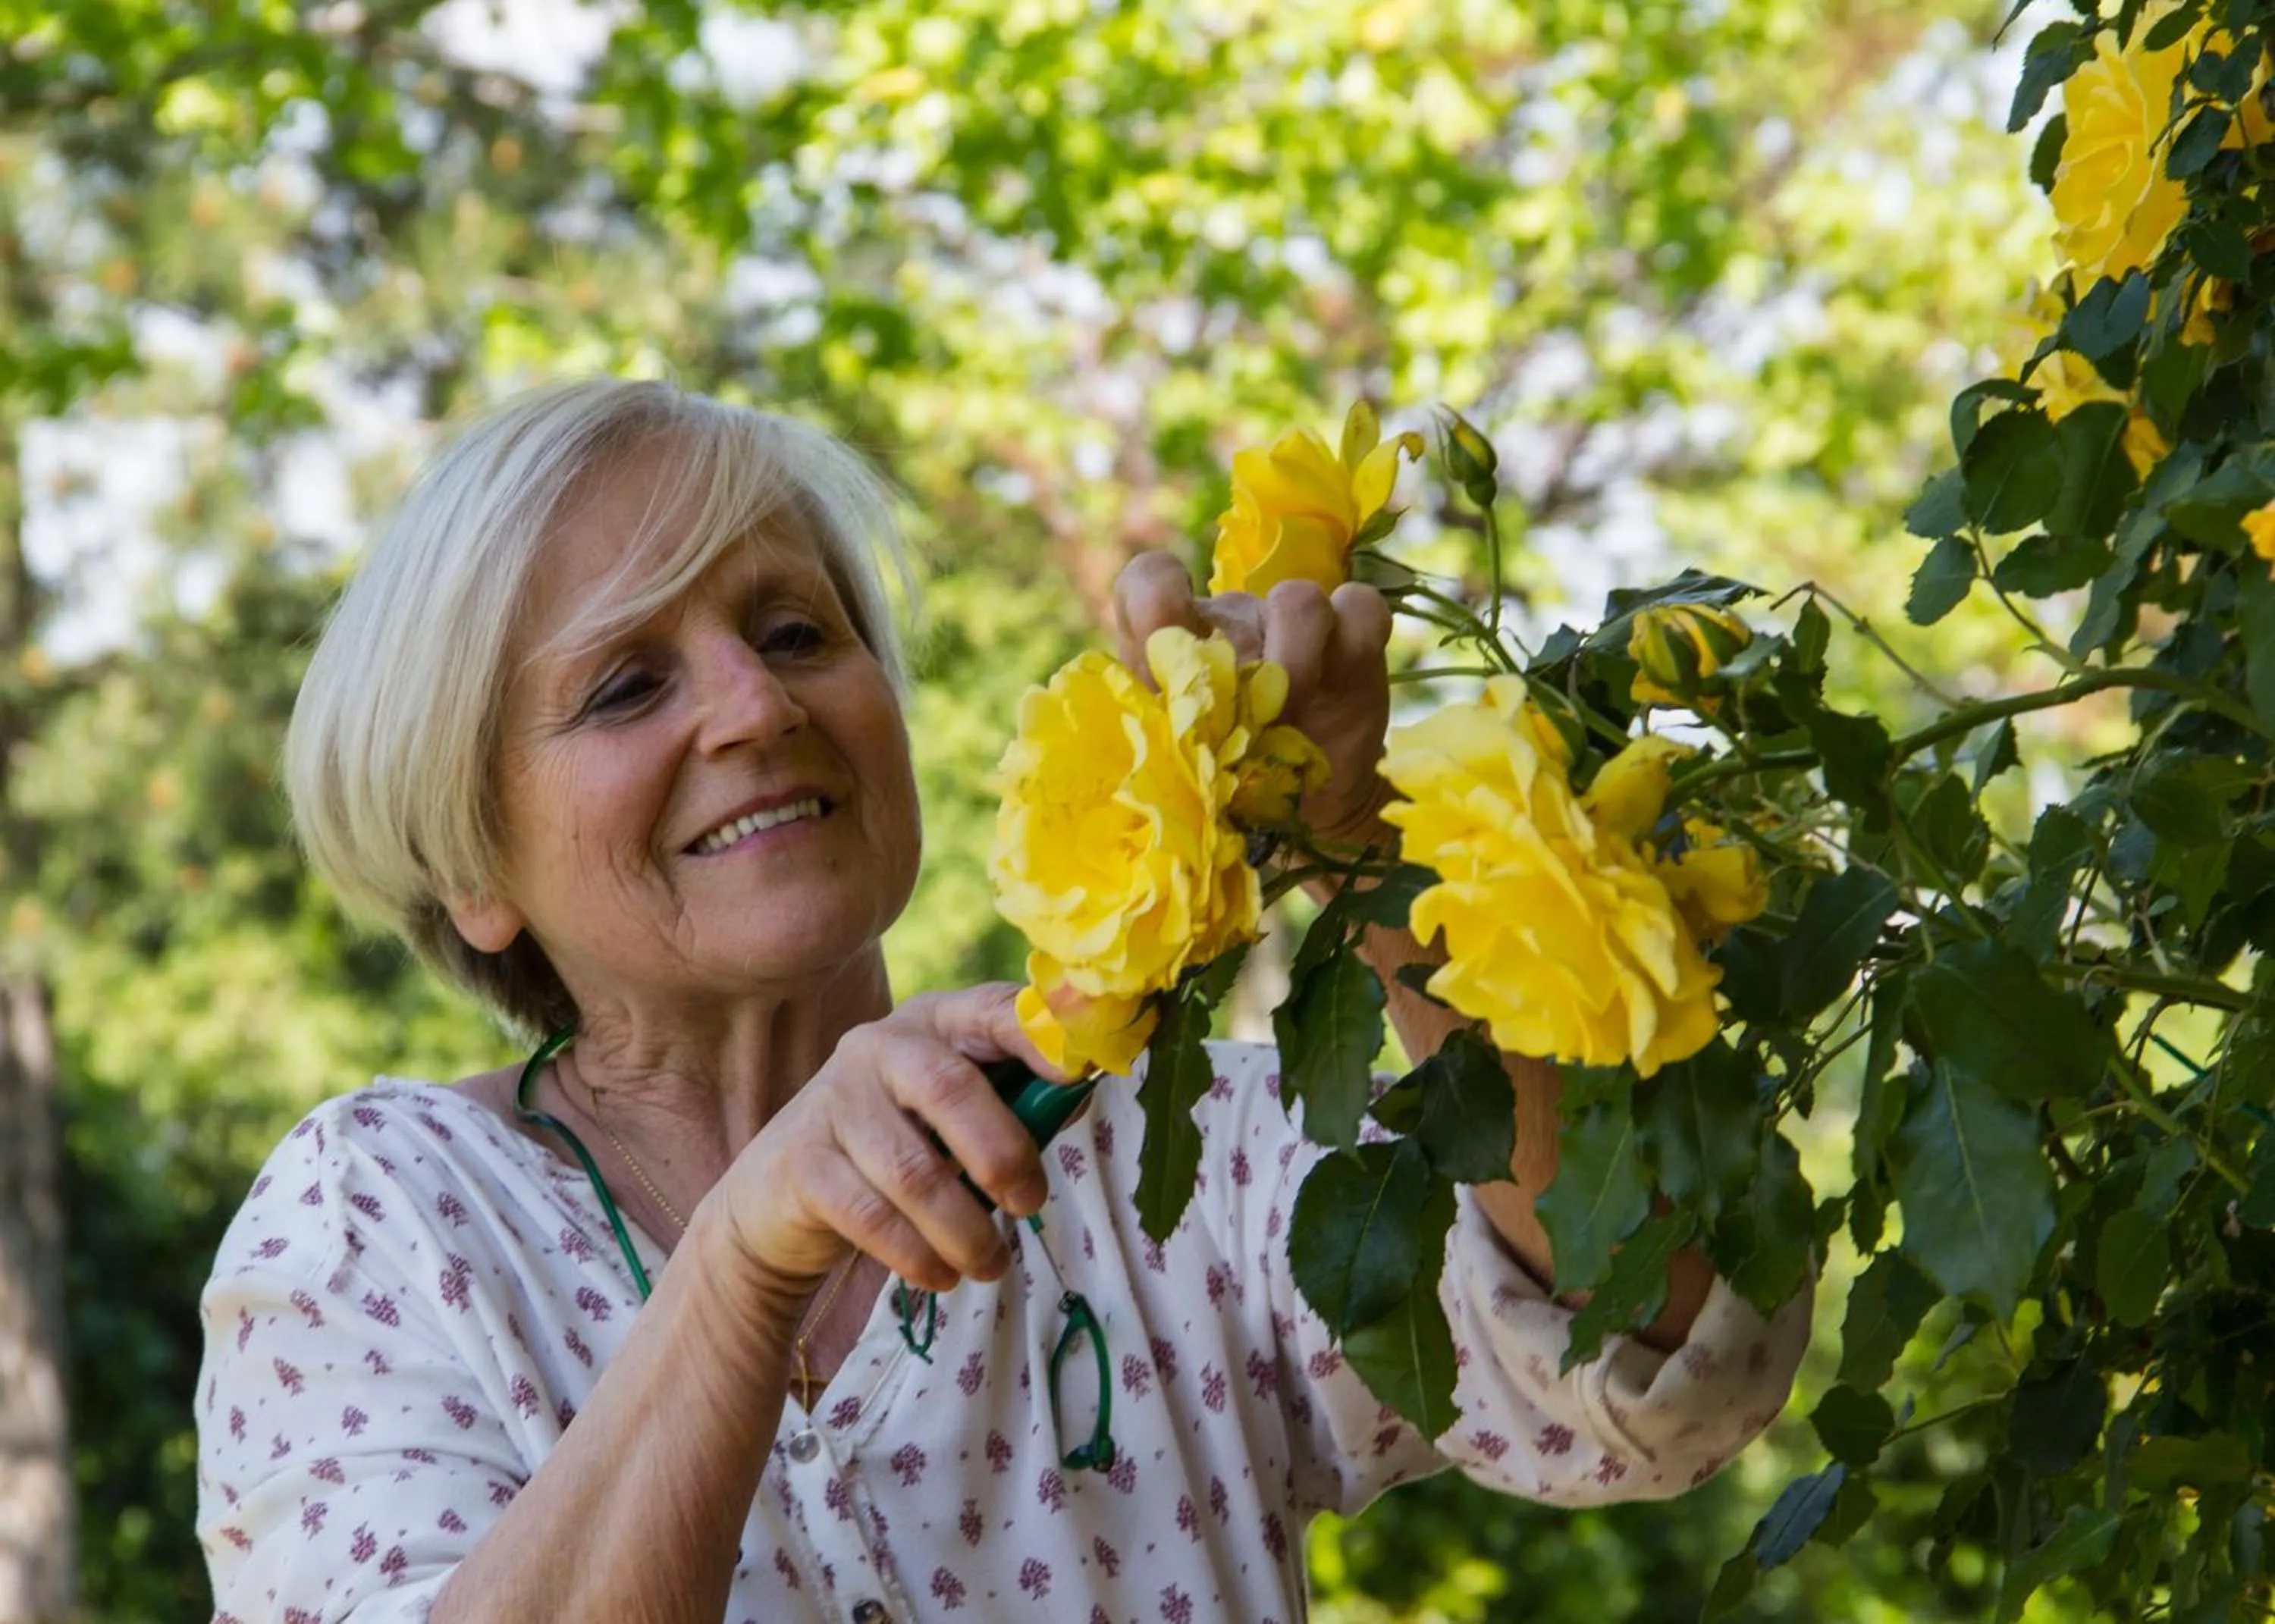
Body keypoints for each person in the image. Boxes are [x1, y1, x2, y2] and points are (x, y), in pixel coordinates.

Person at [196, 380, 1809, 1624]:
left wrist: (1365, 839)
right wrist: (745, 1266)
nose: (757, 707)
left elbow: (1665, 1364)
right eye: (630, 685)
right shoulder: (382, 1224)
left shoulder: (1157, 1148)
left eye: (793, 631)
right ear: (473, 861)